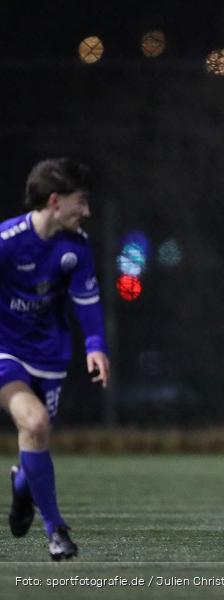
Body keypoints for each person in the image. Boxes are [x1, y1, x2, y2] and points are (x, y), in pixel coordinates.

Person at [3, 158, 110, 560]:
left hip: (50, 354)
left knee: (36, 437)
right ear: (54, 201)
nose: (86, 211)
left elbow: (86, 299)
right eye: (81, 202)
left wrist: (95, 344)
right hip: (5, 351)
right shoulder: (7, 241)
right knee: (35, 422)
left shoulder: (76, 247)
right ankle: (56, 530)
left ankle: (21, 486)